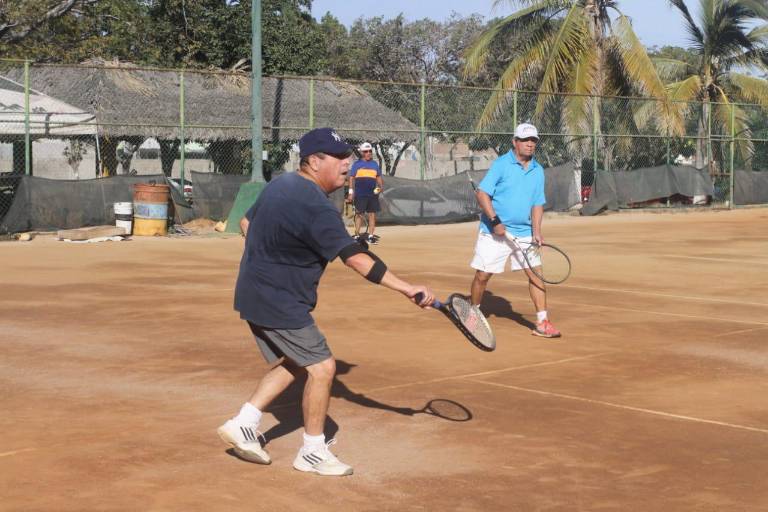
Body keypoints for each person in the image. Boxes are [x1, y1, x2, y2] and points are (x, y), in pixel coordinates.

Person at [217, 127, 435, 477]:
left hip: (252, 292)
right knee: (322, 367)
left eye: (347, 156)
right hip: (280, 301)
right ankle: (313, 451)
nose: (347, 164)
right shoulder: (317, 207)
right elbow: (356, 259)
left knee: (295, 360)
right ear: (315, 162)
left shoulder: (279, 185)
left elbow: (246, 222)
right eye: (339, 158)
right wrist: (408, 288)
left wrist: (269, 258)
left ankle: (244, 422)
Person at [469, 123, 561, 338]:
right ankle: (473, 313)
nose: (530, 144)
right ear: (515, 142)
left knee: (535, 275)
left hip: (524, 232)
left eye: (533, 141)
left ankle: (542, 322)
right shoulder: (501, 165)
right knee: (483, 276)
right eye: (525, 140)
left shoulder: (538, 170)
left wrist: (536, 231)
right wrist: (495, 221)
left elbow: (537, 203)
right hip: (494, 232)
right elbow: (482, 194)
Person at [346, 142, 383, 244]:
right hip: (360, 194)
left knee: (372, 215)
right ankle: (357, 236)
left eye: (370, 151)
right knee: (359, 214)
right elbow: (351, 178)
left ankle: (371, 236)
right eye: (366, 151)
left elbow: (378, 178)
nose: (368, 153)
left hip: (372, 194)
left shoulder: (374, 164)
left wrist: (380, 187)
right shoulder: (357, 165)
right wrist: (350, 192)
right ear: (362, 152)